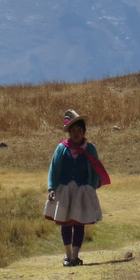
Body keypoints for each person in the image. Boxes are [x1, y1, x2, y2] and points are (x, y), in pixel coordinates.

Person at [44, 109, 110, 266]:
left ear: (84, 132)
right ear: (69, 132)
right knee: (65, 221)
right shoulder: (61, 148)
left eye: (79, 130)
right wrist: (52, 188)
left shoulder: (90, 149)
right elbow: (55, 168)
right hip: (65, 190)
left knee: (79, 222)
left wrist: (91, 187)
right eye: (73, 130)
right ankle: (67, 255)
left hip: (82, 190)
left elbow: (95, 169)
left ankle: (75, 256)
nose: (76, 133)